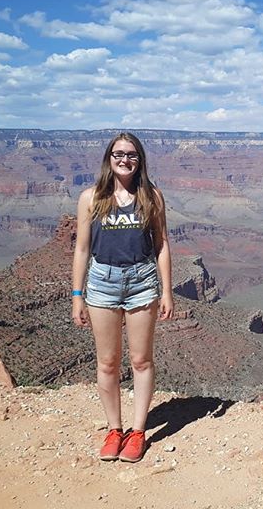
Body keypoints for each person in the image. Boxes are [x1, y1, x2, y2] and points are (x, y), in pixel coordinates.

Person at [71, 132, 174, 463]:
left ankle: (138, 431)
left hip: (142, 281)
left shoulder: (152, 196)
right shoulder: (91, 197)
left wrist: (167, 290)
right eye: (118, 153)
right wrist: (77, 294)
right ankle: (115, 430)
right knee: (107, 362)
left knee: (141, 360)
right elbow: (82, 248)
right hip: (102, 281)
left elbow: (161, 245)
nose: (124, 159)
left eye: (131, 154)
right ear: (109, 157)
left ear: (140, 159)